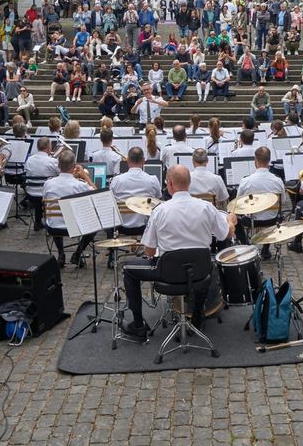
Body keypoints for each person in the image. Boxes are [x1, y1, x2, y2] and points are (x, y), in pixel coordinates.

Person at [119, 164, 237, 341]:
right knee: (202, 263)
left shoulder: (159, 211)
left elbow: (150, 252)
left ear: (169, 184)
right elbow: (226, 234)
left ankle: (137, 326)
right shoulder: (206, 207)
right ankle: (197, 316)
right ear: (189, 183)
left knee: (128, 270)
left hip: (168, 274)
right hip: (201, 273)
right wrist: (230, 220)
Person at [41, 148, 96, 267]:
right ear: (74, 166)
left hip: (53, 226)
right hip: (75, 227)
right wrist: (84, 176)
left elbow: (44, 200)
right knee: (95, 224)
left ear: (59, 166)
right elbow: (96, 193)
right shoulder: (80, 185)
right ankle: (77, 254)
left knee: (56, 217)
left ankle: (61, 253)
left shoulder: (48, 183)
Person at [234, 146, 286, 256]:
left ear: (255, 161)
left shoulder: (246, 181)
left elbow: (237, 204)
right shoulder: (278, 180)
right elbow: (283, 201)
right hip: (273, 219)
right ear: (269, 161)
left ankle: (247, 247)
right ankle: (265, 249)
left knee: (235, 219)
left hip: (253, 220)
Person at [110, 145, 163, 235]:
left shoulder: (116, 180)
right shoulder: (152, 180)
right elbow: (158, 199)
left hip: (121, 227)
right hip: (144, 227)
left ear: (127, 161)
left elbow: (110, 201)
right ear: (143, 161)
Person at [24, 136, 60, 230]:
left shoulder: (29, 160)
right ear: (48, 148)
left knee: (41, 190)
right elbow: (60, 173)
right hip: (47, 195)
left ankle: (38, 221)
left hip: (30, 193)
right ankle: (55, 220)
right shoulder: (52, 161)